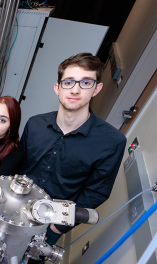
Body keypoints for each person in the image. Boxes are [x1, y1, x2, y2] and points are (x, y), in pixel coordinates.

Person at [19, 53, 126, 245]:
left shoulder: (112, 142)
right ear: (57, 88)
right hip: (18, 206)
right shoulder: (35, 124)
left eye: (85, 82)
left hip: (52, 222)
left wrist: (59, 226)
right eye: (68, 82)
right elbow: (21, 164)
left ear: (96, 89)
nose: (75, 90)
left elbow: (97, 191)